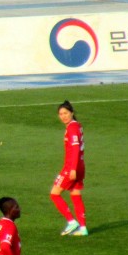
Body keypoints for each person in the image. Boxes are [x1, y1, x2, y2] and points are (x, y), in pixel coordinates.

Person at [50, 100, 88, 237]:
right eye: (60, 114)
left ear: (72, 113)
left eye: (66, 113)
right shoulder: (77, 125)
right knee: (75, 194)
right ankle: (83, 228)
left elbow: (75, 148)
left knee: (54, 194)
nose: (63, 116)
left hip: (72, 167)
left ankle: (71, 221)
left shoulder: (72, 128)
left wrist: (72, 169)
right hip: (81, 165)